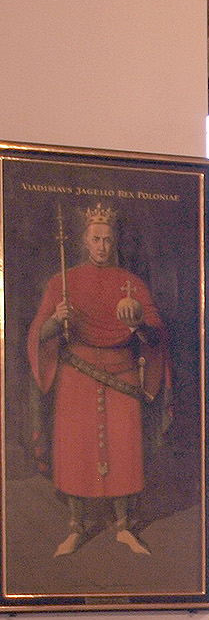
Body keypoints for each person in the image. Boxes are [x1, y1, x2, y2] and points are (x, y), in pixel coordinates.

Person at [27, 203, 168, 557]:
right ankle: (76, 527)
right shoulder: (62, 282)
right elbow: (38, 334)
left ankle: (123, 527)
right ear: (86, 241)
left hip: (122, 377)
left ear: (114, 241)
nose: (103, 246)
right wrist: (55, 320)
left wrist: (137, 324)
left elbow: (155, 337)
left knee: (123, 450)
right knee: (76, 450)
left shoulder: (133, 285)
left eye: (108, 239)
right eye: (96, 239)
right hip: (78, 376)